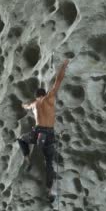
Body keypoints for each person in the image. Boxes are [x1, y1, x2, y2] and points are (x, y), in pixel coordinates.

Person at [17, 60, 69, 199]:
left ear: (37, 96)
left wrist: (23, 105)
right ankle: (49, 190)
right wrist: (63, 66)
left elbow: (27, 106)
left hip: (37, 133)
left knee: (22, 139)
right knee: (49, 163)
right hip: (49, 134)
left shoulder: (34, 104)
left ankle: (27, 159)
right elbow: (58, 81)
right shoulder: (49, 98)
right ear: (44, 93)